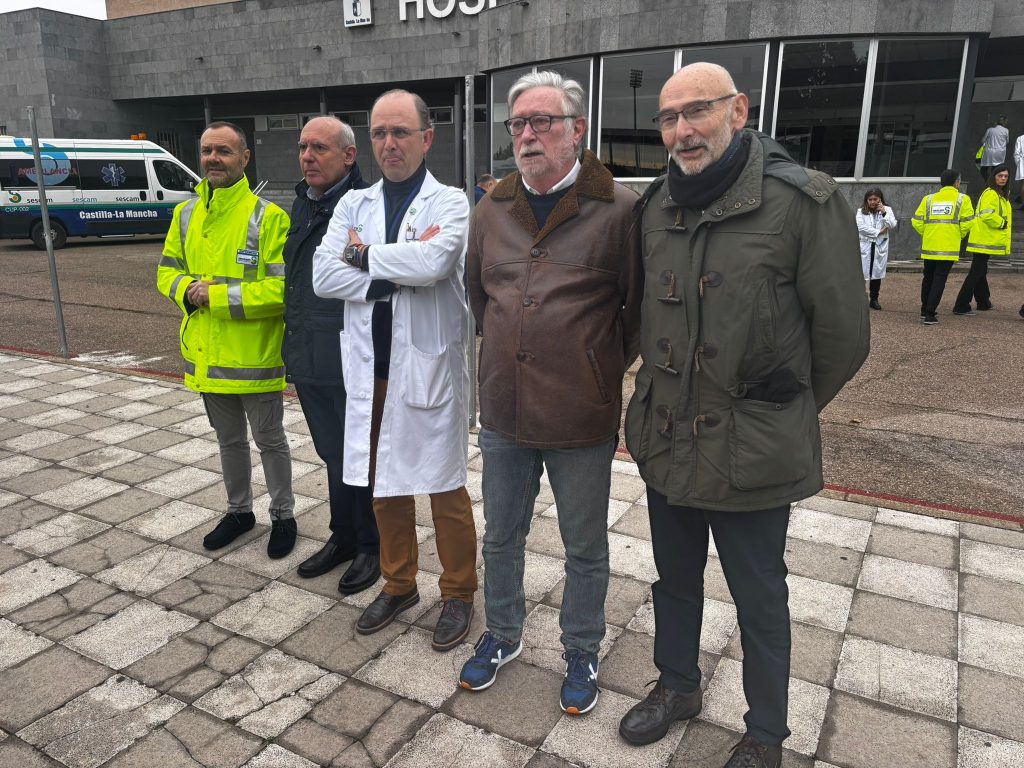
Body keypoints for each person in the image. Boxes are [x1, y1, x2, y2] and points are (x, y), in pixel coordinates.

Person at [618, 63, 868, 768]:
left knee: (759, 598)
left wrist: (775, 413)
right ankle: (676, 685)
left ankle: (766, 733)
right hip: (668, 440)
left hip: (750, 454)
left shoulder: (802, 201)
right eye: (669, 118)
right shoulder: (655, 205)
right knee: (673, 579)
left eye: (697, 111)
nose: (682, 130)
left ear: (739, 110)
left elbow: (844, 338)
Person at [459, 71, 643, 715]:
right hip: (504, 407)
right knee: (501, 535)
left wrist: (593, 366)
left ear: (577, 130)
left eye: (543, 121)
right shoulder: (491, 208)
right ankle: (503, 632)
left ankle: (581, 647)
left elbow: (636, 310)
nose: (528, 134)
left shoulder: (619, 210)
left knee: (584, 546)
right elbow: (479, 295)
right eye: (518, 124)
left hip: (579, 411)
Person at [312, 89, 477, 651]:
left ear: (426, 138)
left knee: (444, 487)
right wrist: (391, 275)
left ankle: (458, 592)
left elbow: (435, 262)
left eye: (400, 132)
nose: (389, 143)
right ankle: (399, 583)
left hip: (428, 367)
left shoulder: (450, 203)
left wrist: (361, 257)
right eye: (380, 133)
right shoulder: (353, 205)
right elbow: (322, 277)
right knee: (385, 485)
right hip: (370, 370)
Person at [156, 121, 297, 558]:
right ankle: (239, 512)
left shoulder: (268, 217)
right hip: (208, 355)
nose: (213, 159)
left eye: (223, 151)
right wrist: (187, 289)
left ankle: (283, 515)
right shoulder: (185, 215)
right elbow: (166, 273)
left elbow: (282, 290)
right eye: (207, 151)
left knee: (270, 441)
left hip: (255, 358)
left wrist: (215, 296)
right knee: (228, 441)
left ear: (244, 158)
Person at [282, 116, 380, 594]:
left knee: (360, 455)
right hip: (307, 352)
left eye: (319, 148)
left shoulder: (365, 207)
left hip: (348, 356)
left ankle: (372, 546)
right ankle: (343, 536)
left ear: (348, 155)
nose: (307, 156)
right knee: (331, 452)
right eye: (303, 147)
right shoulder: (303, 203)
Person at [912, 169, 974, 325]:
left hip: (930, 245)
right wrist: (958, 235)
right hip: (948, 247)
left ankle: (924, 309)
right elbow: (968, 222)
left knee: (928, 277)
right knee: (939, 279)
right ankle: (930, 313)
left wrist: (928, 233)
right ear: (957, 182)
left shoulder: (928, 199)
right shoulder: (963, 199)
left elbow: (916, 221)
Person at [953, 163, 1013, 316]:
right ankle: (961, 305)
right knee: (976, 272)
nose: (1003, 178)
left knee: (980, 270)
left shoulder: (999, 194)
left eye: (1006, 176)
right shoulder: (991, 193)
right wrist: (1002, 223)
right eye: (1000, 176)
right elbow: (987, 214)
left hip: (985, 239)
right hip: (983, 239)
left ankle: (983, 302)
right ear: (993, 177)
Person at [856, 188, 897, 310]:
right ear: (866, 200)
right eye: (870, 199)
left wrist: (884, 213)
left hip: (879, 246)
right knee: (862, 274)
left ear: (880, 199)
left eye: (875, 199)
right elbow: (861, 227)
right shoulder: (861, 211)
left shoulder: (887, 210)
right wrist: (878, 232)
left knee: (876, 274)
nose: (873, 202)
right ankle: (860, 299)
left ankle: (874, 299)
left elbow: (892, 224)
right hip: (865, 246)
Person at [1013, 129, 1024, 207]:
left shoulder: (1020, 138)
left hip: (1023, 163)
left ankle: (1023, 204)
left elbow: (1016, 153)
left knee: (1023, 184)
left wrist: (1019, 165)